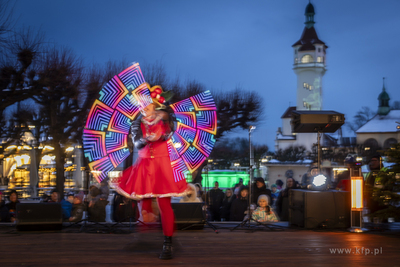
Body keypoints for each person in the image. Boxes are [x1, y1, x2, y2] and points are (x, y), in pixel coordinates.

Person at [112, 86, 188, 260]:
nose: (142, 107)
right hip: (145, 164)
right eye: (140, 105)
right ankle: (146, 232)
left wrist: (164, 118)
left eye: (146, 104)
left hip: (162, 164)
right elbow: (137, 144)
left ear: (154, 105)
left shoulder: (165, 118)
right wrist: (146, 138)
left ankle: (167, 243)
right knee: (143, 202)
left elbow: (170, 132)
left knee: (164, 204)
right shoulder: (137, 122)